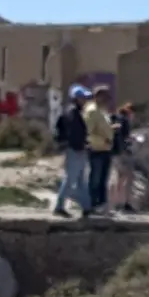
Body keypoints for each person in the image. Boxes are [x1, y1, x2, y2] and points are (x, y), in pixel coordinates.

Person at [52, 84, 91, 218]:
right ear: (76, 98)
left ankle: (87, 208)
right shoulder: (73, 113)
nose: (85, 100)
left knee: (81, 180)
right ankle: (59, 206)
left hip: (78, 149)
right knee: (70, 180)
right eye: (83, 98)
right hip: (75, 150)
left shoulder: (75, 112)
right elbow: (74, 134)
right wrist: (81, 145)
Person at [82, 87, 115, 216]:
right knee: (95, 179)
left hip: (106, 150)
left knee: (103, 179)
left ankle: (102, 205)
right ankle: (92, 205)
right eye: (105, 97)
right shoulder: (92, 111)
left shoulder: (102, 111)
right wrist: (102, 141)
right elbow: (88, 133)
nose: (107, 101)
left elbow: (103, 128)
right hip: (97, 149)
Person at [110, 102, 137, 213]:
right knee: (129, 177)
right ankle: (127, 203)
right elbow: (125, 138)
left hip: (114, 153)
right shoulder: (125, 121)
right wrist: (133, 140)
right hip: (123, 153)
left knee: (119, 178)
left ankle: (116, 203)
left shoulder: (115, 119)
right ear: (130, 112)